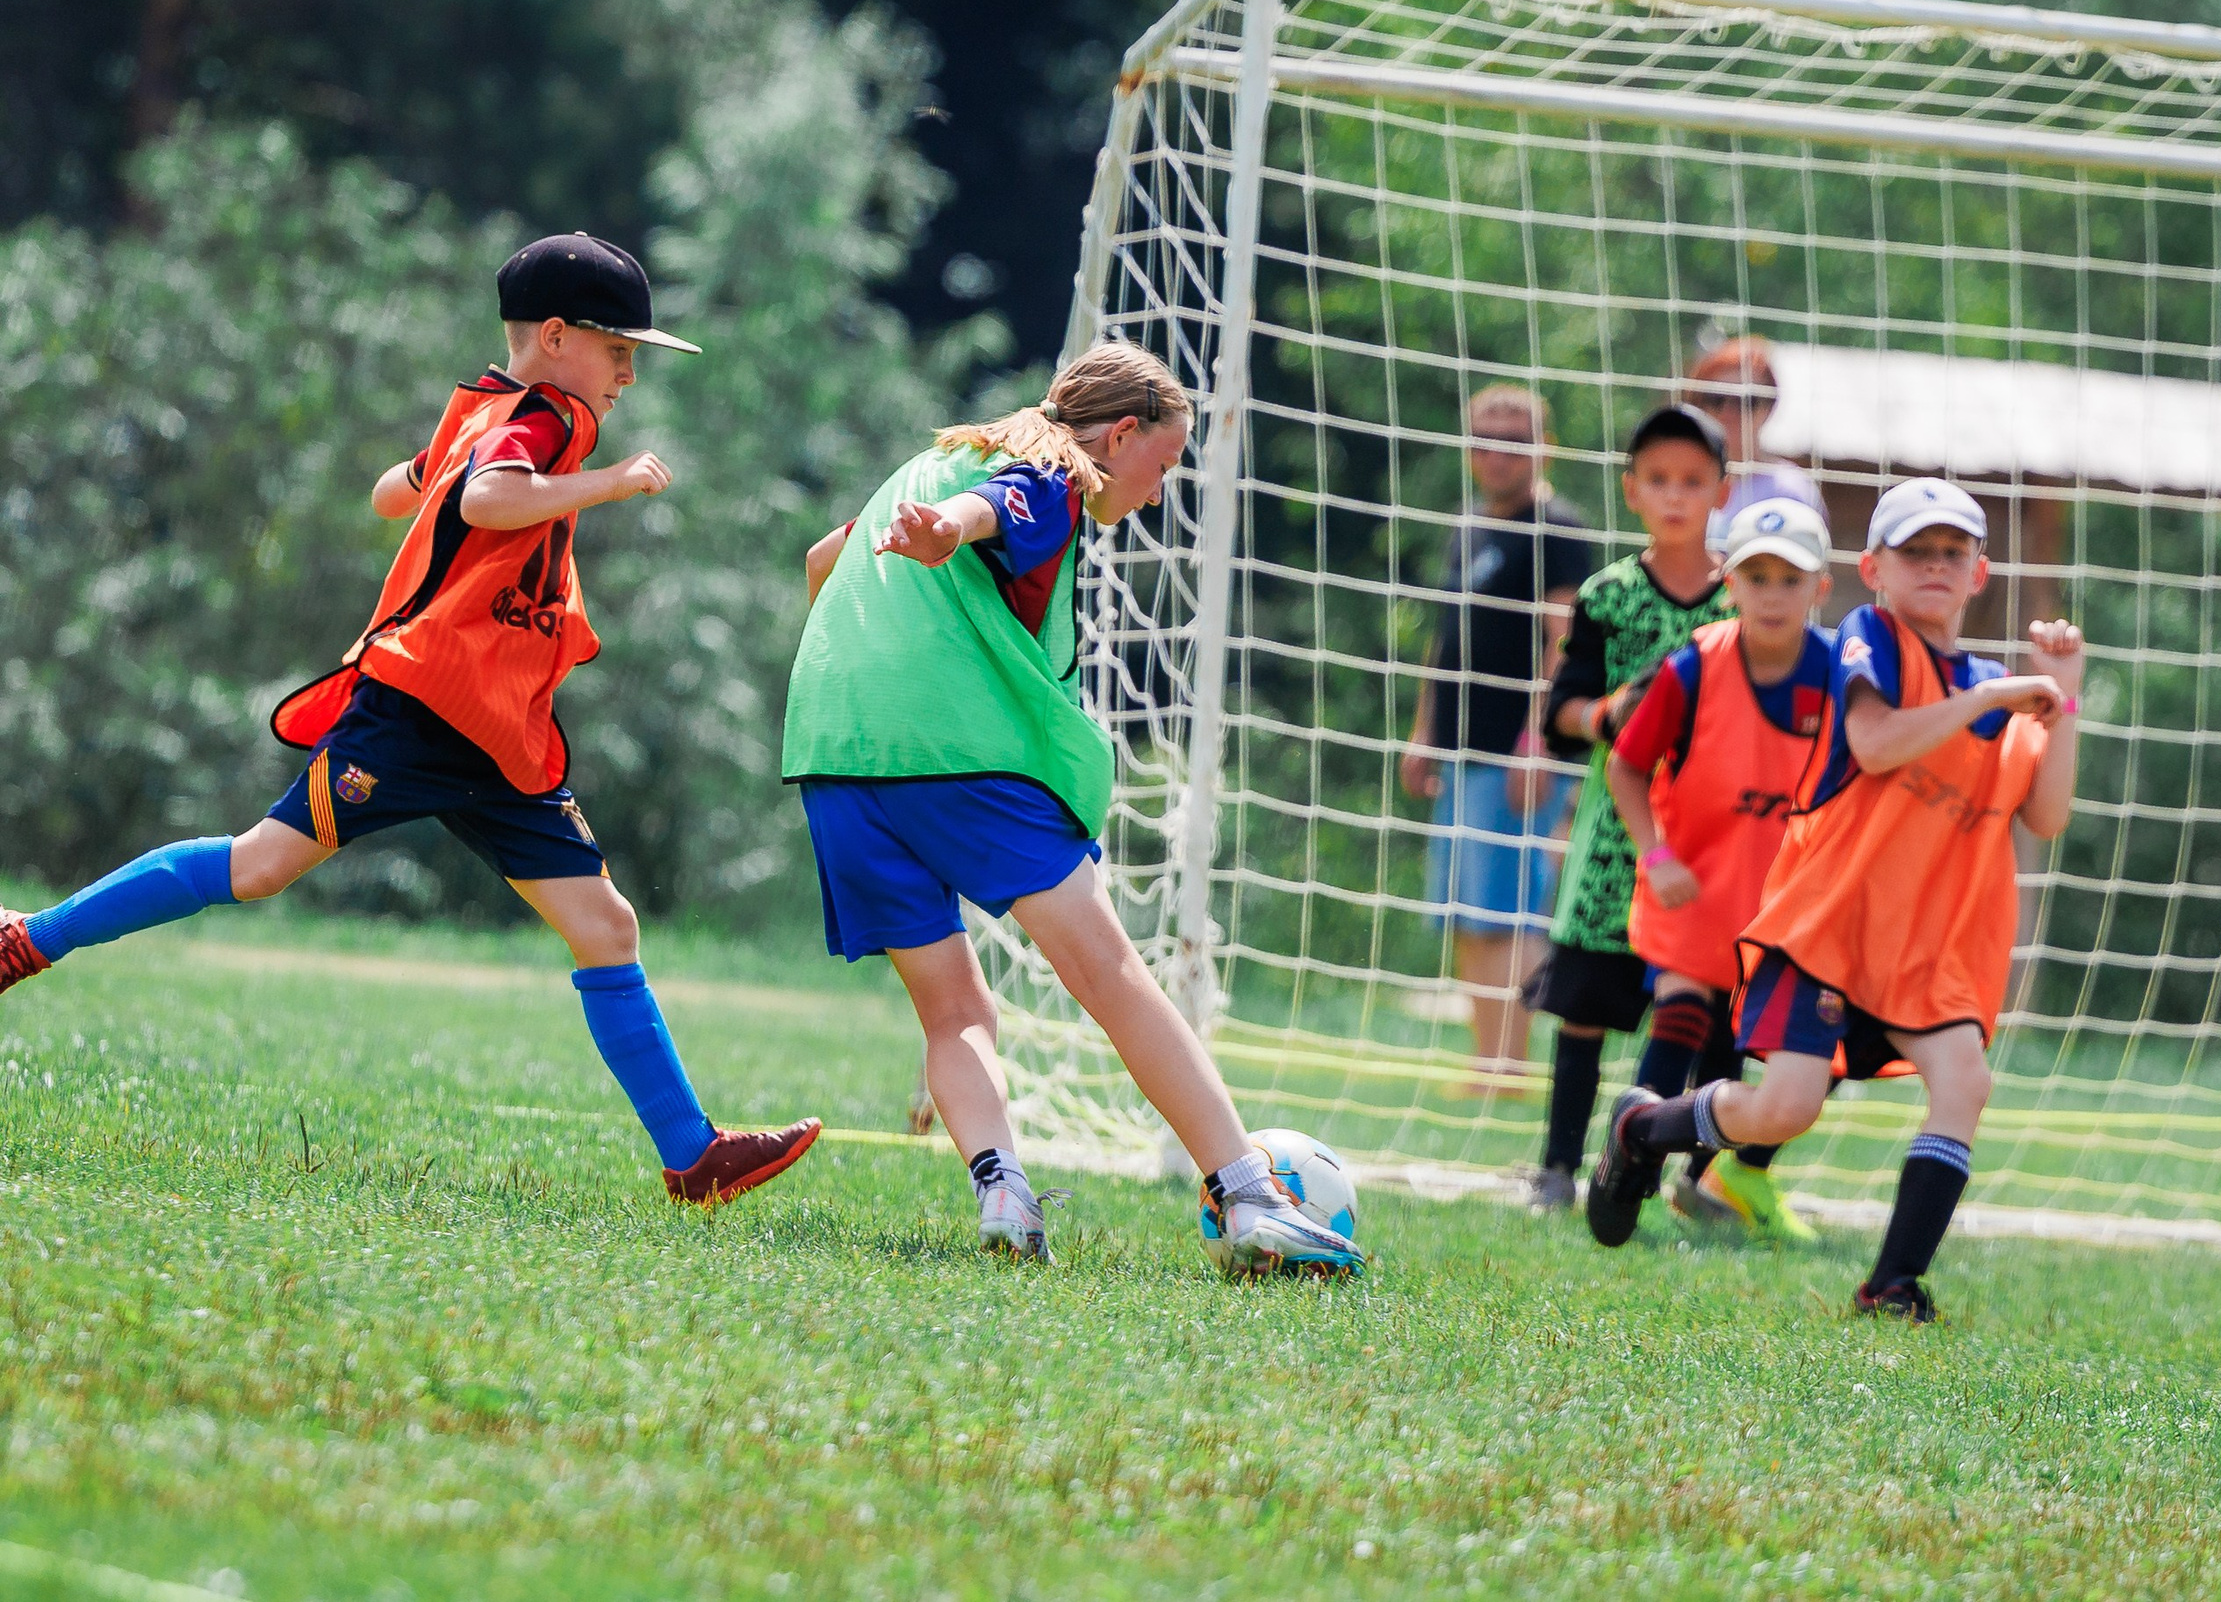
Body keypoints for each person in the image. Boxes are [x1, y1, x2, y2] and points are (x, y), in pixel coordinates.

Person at [0, 234, 824, 1205]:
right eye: (617, 351)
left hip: (498, 729)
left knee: (606, 926)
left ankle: (694, 1157)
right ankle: (31, 939)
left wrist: (452, 483)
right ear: (556, 338)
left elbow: (399, 488)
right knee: (260, 866)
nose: (628, 376)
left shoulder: (484, 405)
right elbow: (486, 495)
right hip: (425, 710)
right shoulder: (552, 416)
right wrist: (610, 483)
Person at [790, 341, 1364, 1276]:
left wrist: (890, 631)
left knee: (957, 1008)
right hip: (953, 753)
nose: (1159, 491)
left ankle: (1003, 1193)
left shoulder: (938, 460)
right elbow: (992, 511)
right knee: (1112, 975)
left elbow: (826, 560)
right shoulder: (1049, 474)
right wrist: (948, 534)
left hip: (835, 754)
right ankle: (1252, 1193)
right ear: (1121, 434)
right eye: (1165, 464)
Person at [1585, 479, 2083, 1323]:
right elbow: (1875, 743)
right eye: (1914, 551)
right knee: (1786, 1107)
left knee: (1965, 1080)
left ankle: (1891, 1285)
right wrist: (1990, 698)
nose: (1934, 565)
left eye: (1952, 552)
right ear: (1873, 569)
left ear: (1979, 573)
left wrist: (2064, 696)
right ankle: (1643, 1131)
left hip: (1924, 949)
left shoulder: (1994, 688)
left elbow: (2047, 813)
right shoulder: (1872, 637)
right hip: (1828, 928)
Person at [1593, 495, 1837, 1247]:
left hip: (1786, 901)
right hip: (1695, 882)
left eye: (1790, 578)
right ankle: (1630, 1166)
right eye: (1756, 576)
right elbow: (1625, 765)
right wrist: (1655, 852)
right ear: (1728, 583)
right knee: (1683, 1014)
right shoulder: (1694, 667)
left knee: (1809, 1044)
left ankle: (1709, 1179)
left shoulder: (1840, 675)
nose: (1772, 594)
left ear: (1821, 587)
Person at [1521, 403, 1733, 1212]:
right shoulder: (1607, 594)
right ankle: (1558, 1168)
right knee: (1584, 1008)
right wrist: (1611, 714)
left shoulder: (1743, 598)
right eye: (1658, 479)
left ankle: (1691, 1177)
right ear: (1631, 489)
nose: (1675, 495)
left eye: (1692, 480)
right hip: (1616, 836)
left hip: (1714, 838)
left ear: (1721, 490)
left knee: (1713, 1012)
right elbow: (1562, 713)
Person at [1399, 385, 1595, 1080]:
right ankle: (1487, 1062)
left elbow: (1564, 643)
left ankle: (1510, 1067)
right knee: (1467, 911)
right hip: (1461, 748)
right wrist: (1423, 732)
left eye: (1514, 441)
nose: (1496, 454)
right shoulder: (1468, 525)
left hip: (1518, 758)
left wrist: (1537, 744)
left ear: (1545, 448)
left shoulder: (1558, 530)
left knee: (1512, 912)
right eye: (1484, 439)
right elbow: (1445, 640)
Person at [1688, 334, 1822, 553]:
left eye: (1745, 401)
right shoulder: (1683, 480)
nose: (1728, 412)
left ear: (1769, 407)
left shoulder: (1790, 489)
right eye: (1715, 399)